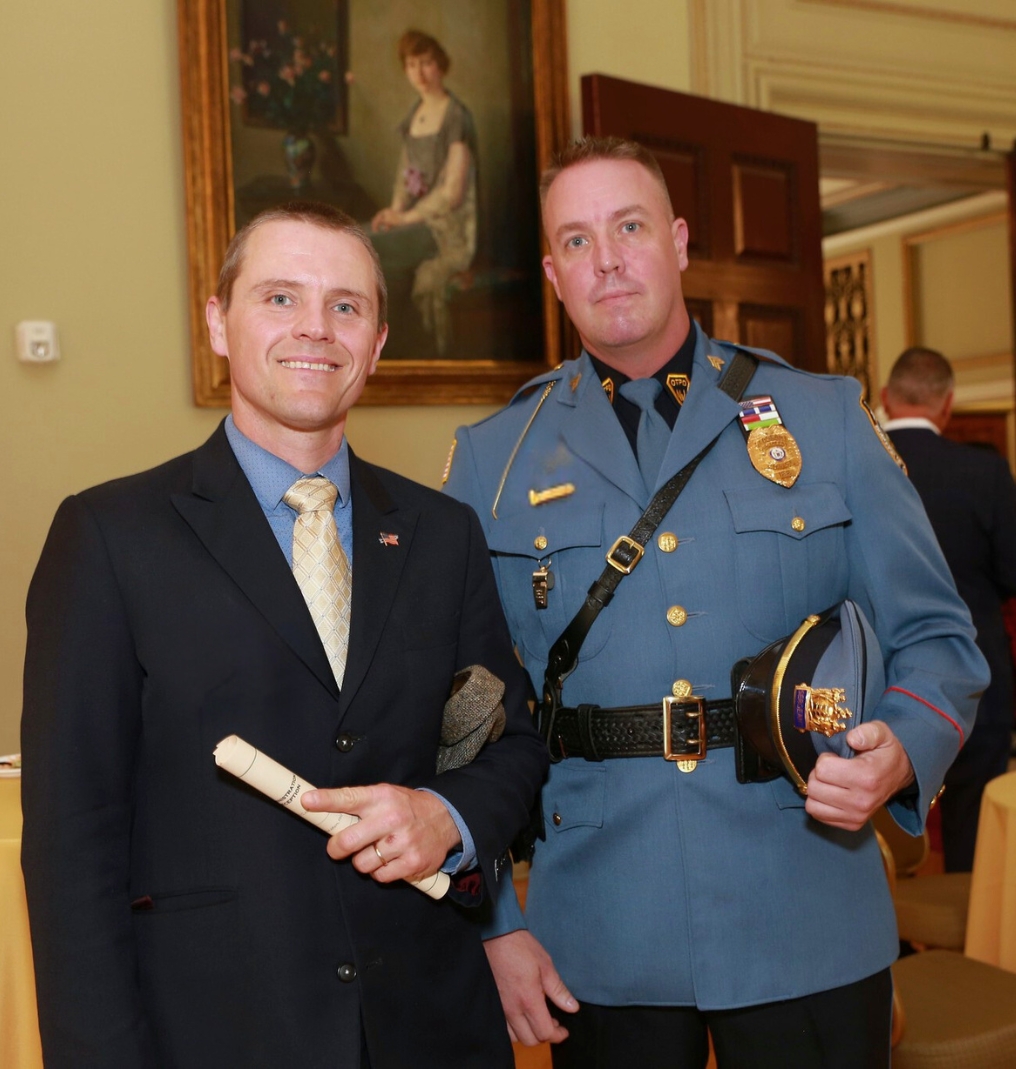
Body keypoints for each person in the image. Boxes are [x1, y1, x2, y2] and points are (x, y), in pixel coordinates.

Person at [443, 137, 988, 1068]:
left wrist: (901, 749)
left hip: (805, 904)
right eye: (576, 240)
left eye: (630, 226)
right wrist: (494, 921)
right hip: (602, 931)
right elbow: (465, 721)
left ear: (681, 241)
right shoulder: (494, 461)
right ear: (552, 273)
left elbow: (939, 640)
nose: (606, 258)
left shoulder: (820, 418)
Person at [21, 201, 547, 1068]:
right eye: (279, 297)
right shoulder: (111, 537)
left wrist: (444, 814)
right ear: (218, 324)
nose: (316, 328)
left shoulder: (440, 534)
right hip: (212, 1033)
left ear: (378, 343)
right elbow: (73, 850)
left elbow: (504, 746)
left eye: (346, 305)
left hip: (429, 1028)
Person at [882, 346, 1016, 871]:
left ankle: (897, 937)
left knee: (875, 827)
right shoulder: (984, 473)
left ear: (888, 397)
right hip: (973, 675)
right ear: (948, 404)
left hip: (878, 677)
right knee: (973, 828)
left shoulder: (856, 464)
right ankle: (968, 933)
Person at [370, 29, 477, 357]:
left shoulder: (456, 116)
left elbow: (452, 194)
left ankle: (400, 345)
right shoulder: (415, 114)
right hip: (412, 222)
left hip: (446, 227)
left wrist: (403, 218)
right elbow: (405, 179)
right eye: (412, 64)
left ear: (440, 65)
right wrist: (393, 213)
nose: (419, 73)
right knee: (364, 238)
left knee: (371, 249)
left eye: (427, 63)